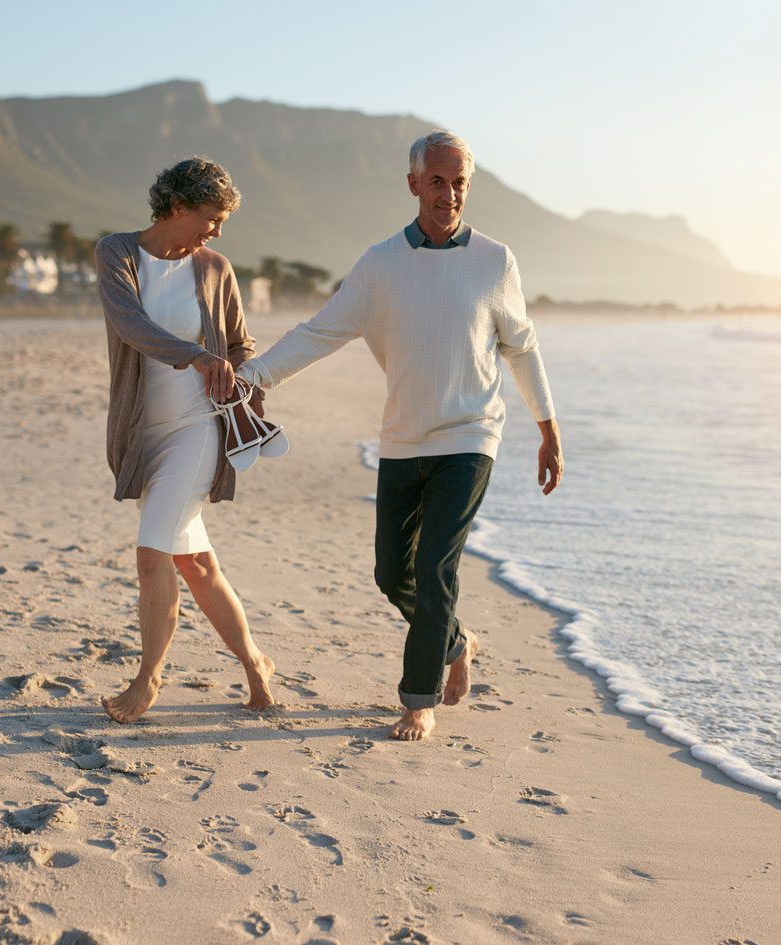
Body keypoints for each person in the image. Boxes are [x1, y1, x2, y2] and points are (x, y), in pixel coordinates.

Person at [243, 130, 563, 741]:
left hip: (471, 437)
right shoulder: (380, 264)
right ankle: (456, 640)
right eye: (438, 181)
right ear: (414, 183)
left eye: (460, 182)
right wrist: (255, 376)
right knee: (393, 573)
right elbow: (319, 331)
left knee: (437, 566)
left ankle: (420, 699)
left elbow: (521, 347)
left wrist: (548, 429)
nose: (449, 194)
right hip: (402, 440)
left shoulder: (495, 261)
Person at [94, 156, 276, 724]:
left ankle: (147, 681)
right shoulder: (117, 253)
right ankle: (255, 665)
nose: (217, 230)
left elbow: (241, 343)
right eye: (211, 217)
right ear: (176, 206)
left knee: (153, 554)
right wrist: (198, 355)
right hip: (144, 433)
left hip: (199, 428)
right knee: (195, 563)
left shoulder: (215, 267)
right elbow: (130, 325)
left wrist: (242, 374)